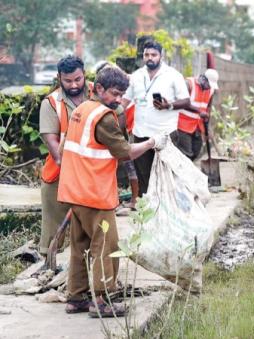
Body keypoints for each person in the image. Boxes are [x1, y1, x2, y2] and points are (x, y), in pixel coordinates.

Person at [57, 66, 168, 317]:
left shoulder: (81, 110)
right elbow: (125, 152)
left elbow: (65, 148)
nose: (119, 100)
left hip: (75, 191)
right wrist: (151, 143)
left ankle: (76, 298)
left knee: (80, 245)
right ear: (99, 89)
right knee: (107, 245)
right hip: (94, 194)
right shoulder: (104, 117)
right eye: (115, 94)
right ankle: (103, 300)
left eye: (121, 95)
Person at [38, 55, 93, 257]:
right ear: (59, 77)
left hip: (93, 171)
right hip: (60, 171)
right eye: (68, 81)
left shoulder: (98, 92)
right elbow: (53, 145)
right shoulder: (51, 103)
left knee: (92, 225)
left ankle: (87, 264)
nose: (74, 85)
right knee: (54, 226)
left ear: (84, 74)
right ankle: (49, 261)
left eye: (78, 79)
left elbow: (118, 116)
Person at [120, 41, 191, 196]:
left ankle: (168, 213)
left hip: (165, 135)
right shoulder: (137, 76)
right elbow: (124, 101)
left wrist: (168, 105)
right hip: (140, 134)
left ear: (161, 56)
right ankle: (148, 213)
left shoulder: (173, 75)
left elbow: (186, 101)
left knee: (167, 176)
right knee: (143, 176)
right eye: (146, 55)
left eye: (153, 55)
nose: (150, 58)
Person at [95, 61, 139, 213]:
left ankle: (134, 200)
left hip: (119, 142)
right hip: (100, 149)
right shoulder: (93, 102)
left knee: (129, 167)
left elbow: (120, 132)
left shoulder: (118, 107)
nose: (119, 97)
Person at [175, 69, 219, 160]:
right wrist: (199, 111)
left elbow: (208, 107)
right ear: (203, 79)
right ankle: (183, 172)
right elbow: (180, 102)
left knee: (196, 151)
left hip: (197, 126)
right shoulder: (188, 84)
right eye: (209, 84)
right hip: (183, 125)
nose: (209, 87)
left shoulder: (210, 90)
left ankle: (187, 169)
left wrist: (207, 119)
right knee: (186, 153)